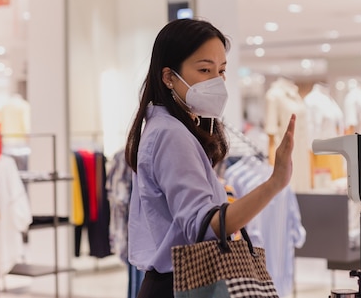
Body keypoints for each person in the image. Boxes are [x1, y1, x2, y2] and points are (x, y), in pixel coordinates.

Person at [124, 18, 296, 298]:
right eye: (205, 70)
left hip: (174, 282)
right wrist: (275, 182)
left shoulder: (168, 128)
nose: (217, 81)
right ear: (168, 77)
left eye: (222, 70)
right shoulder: (171, 134)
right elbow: (207, 225)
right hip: (181, 286)